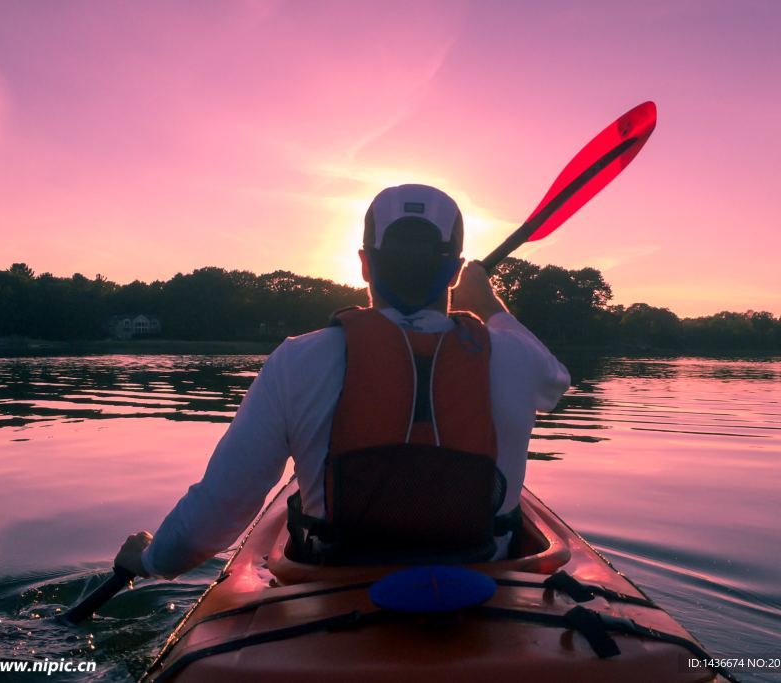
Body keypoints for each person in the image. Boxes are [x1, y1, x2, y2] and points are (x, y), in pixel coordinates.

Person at [115, 184, 570, 577]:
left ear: (364, 264)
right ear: (454, 270)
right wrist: (488, 303)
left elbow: (215, 514)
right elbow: (556, 381)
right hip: (486, 586)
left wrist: (151, 560)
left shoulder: (297, 360)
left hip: (336, 586)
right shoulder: (515, 357)